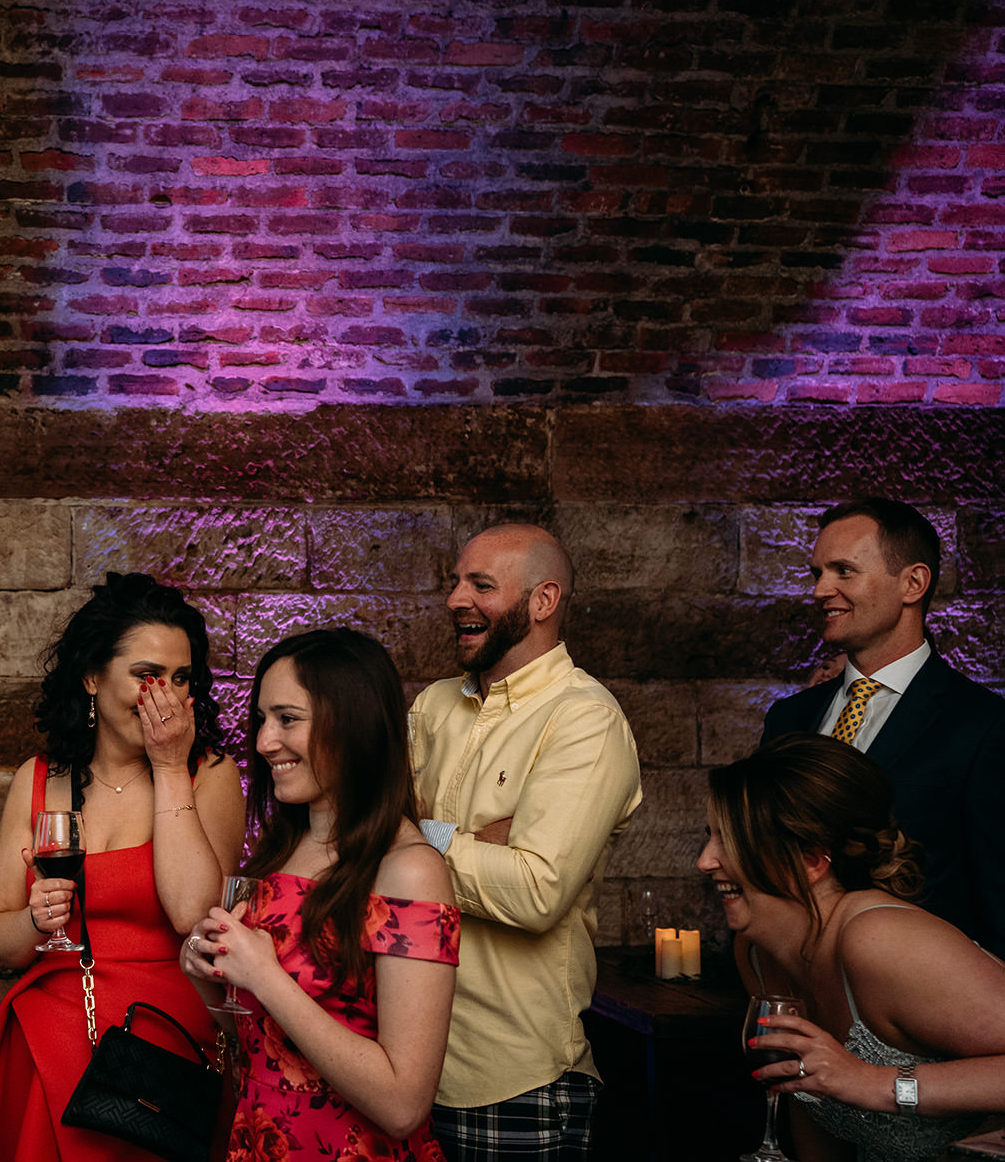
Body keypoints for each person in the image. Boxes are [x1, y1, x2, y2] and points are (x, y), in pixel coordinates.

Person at [0, 572, 245, 1161]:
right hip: (52, 1031)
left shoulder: (209, 774)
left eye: (181, 679)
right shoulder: (38, 779)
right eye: (146, 676)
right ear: (91, 677)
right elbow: (2, 948)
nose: (165, 695)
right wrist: (37, 920)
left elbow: (194, 913)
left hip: (161, 1043)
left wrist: (168, 766)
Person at [407, 523, 642, 1160]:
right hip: (403, 1062)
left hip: (512, 1077)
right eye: (455, 582)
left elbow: (536, 892)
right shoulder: (432, 707)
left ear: (543, 601)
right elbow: (363, 829)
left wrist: (417, 837)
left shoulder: (584, 719)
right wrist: (466, 841)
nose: (456, 599)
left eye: (481, 585)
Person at [183, 628, 460, 1161]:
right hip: (260, 1140)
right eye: (262, 719)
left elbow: (404, 1103)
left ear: (353, 724)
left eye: (287, 719)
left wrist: (264, 973)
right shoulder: (279, 852)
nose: (265, 741)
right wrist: (211, 981)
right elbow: (261, 1038)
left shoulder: (410, 871)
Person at [700, 732, 1005, 1162]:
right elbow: (808, 1099)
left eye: (728, 840)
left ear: (811, 861)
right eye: (709, 836)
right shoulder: (758, 952)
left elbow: (854, 1083)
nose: (705, 860)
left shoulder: (879, 939)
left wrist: (873, 1082)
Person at [761, 497, 1005, 956]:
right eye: (818, 573)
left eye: (843, 571)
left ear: (913, 583)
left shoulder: (983, 727)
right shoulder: (789, 718)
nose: (819, 591)